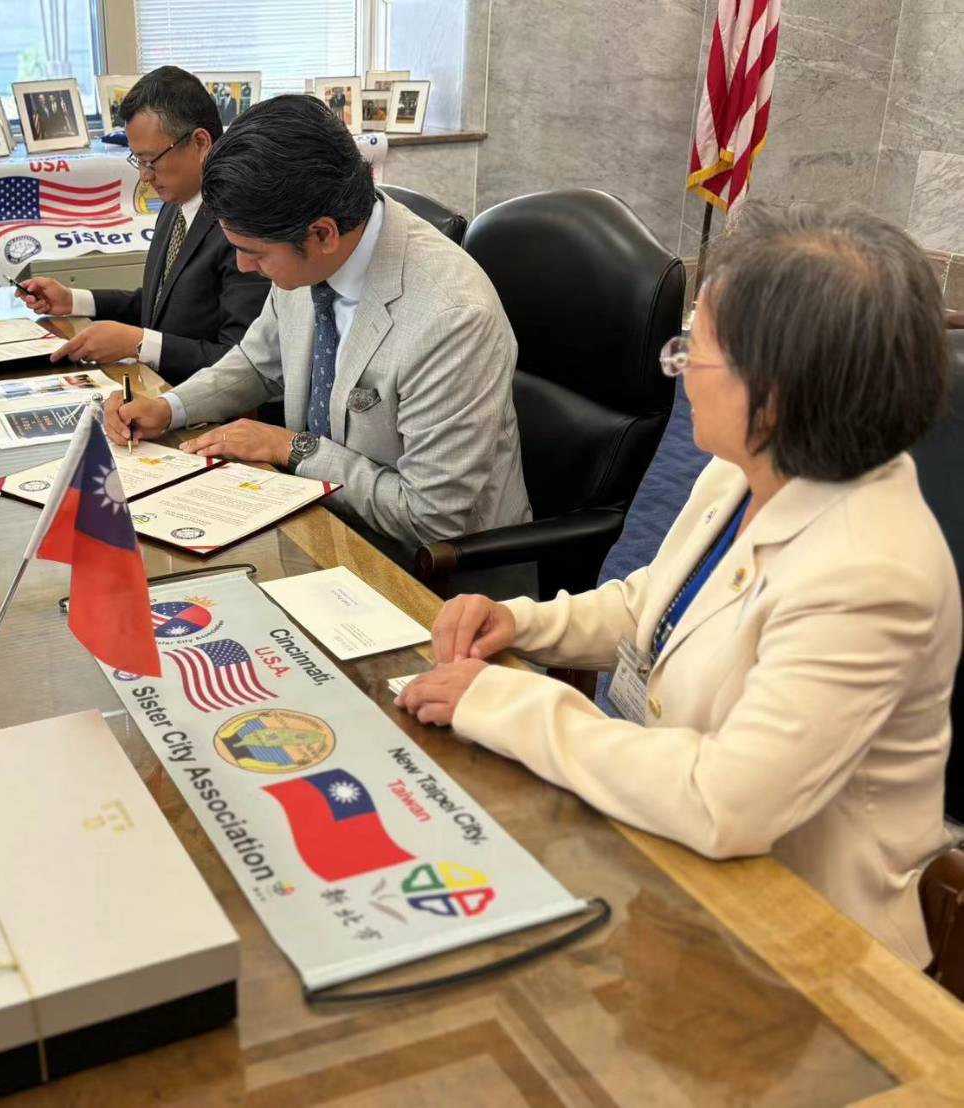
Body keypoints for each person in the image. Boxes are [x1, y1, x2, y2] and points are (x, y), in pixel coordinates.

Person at [397, 204, 959, 967]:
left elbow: (725, 802)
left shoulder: (871, 572)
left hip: (806, 947)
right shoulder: (747, 465)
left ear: (778, 389)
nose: (682, 366)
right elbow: (655, 605)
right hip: (670, 858)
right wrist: (521, 625)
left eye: (699, 349)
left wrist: (503, 699)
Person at [104, 94, 529, 552]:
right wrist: (171, 408)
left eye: (256, 253)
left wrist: (292, 448)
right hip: (319, 523)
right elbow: (257, 362)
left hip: (432, 577)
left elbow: (429, 518)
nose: (244, 267)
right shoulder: (313, 244)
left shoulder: (451, 319)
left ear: (323, 234)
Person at [18, 67, 270, 384]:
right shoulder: (175, 206)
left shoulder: (241, 228)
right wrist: (74, 300)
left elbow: (239, 362)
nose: (145, 176)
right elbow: (159, 306)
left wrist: (139, 344)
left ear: (200, 142)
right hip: (157, 395)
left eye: (152, 160)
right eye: (138, 160)